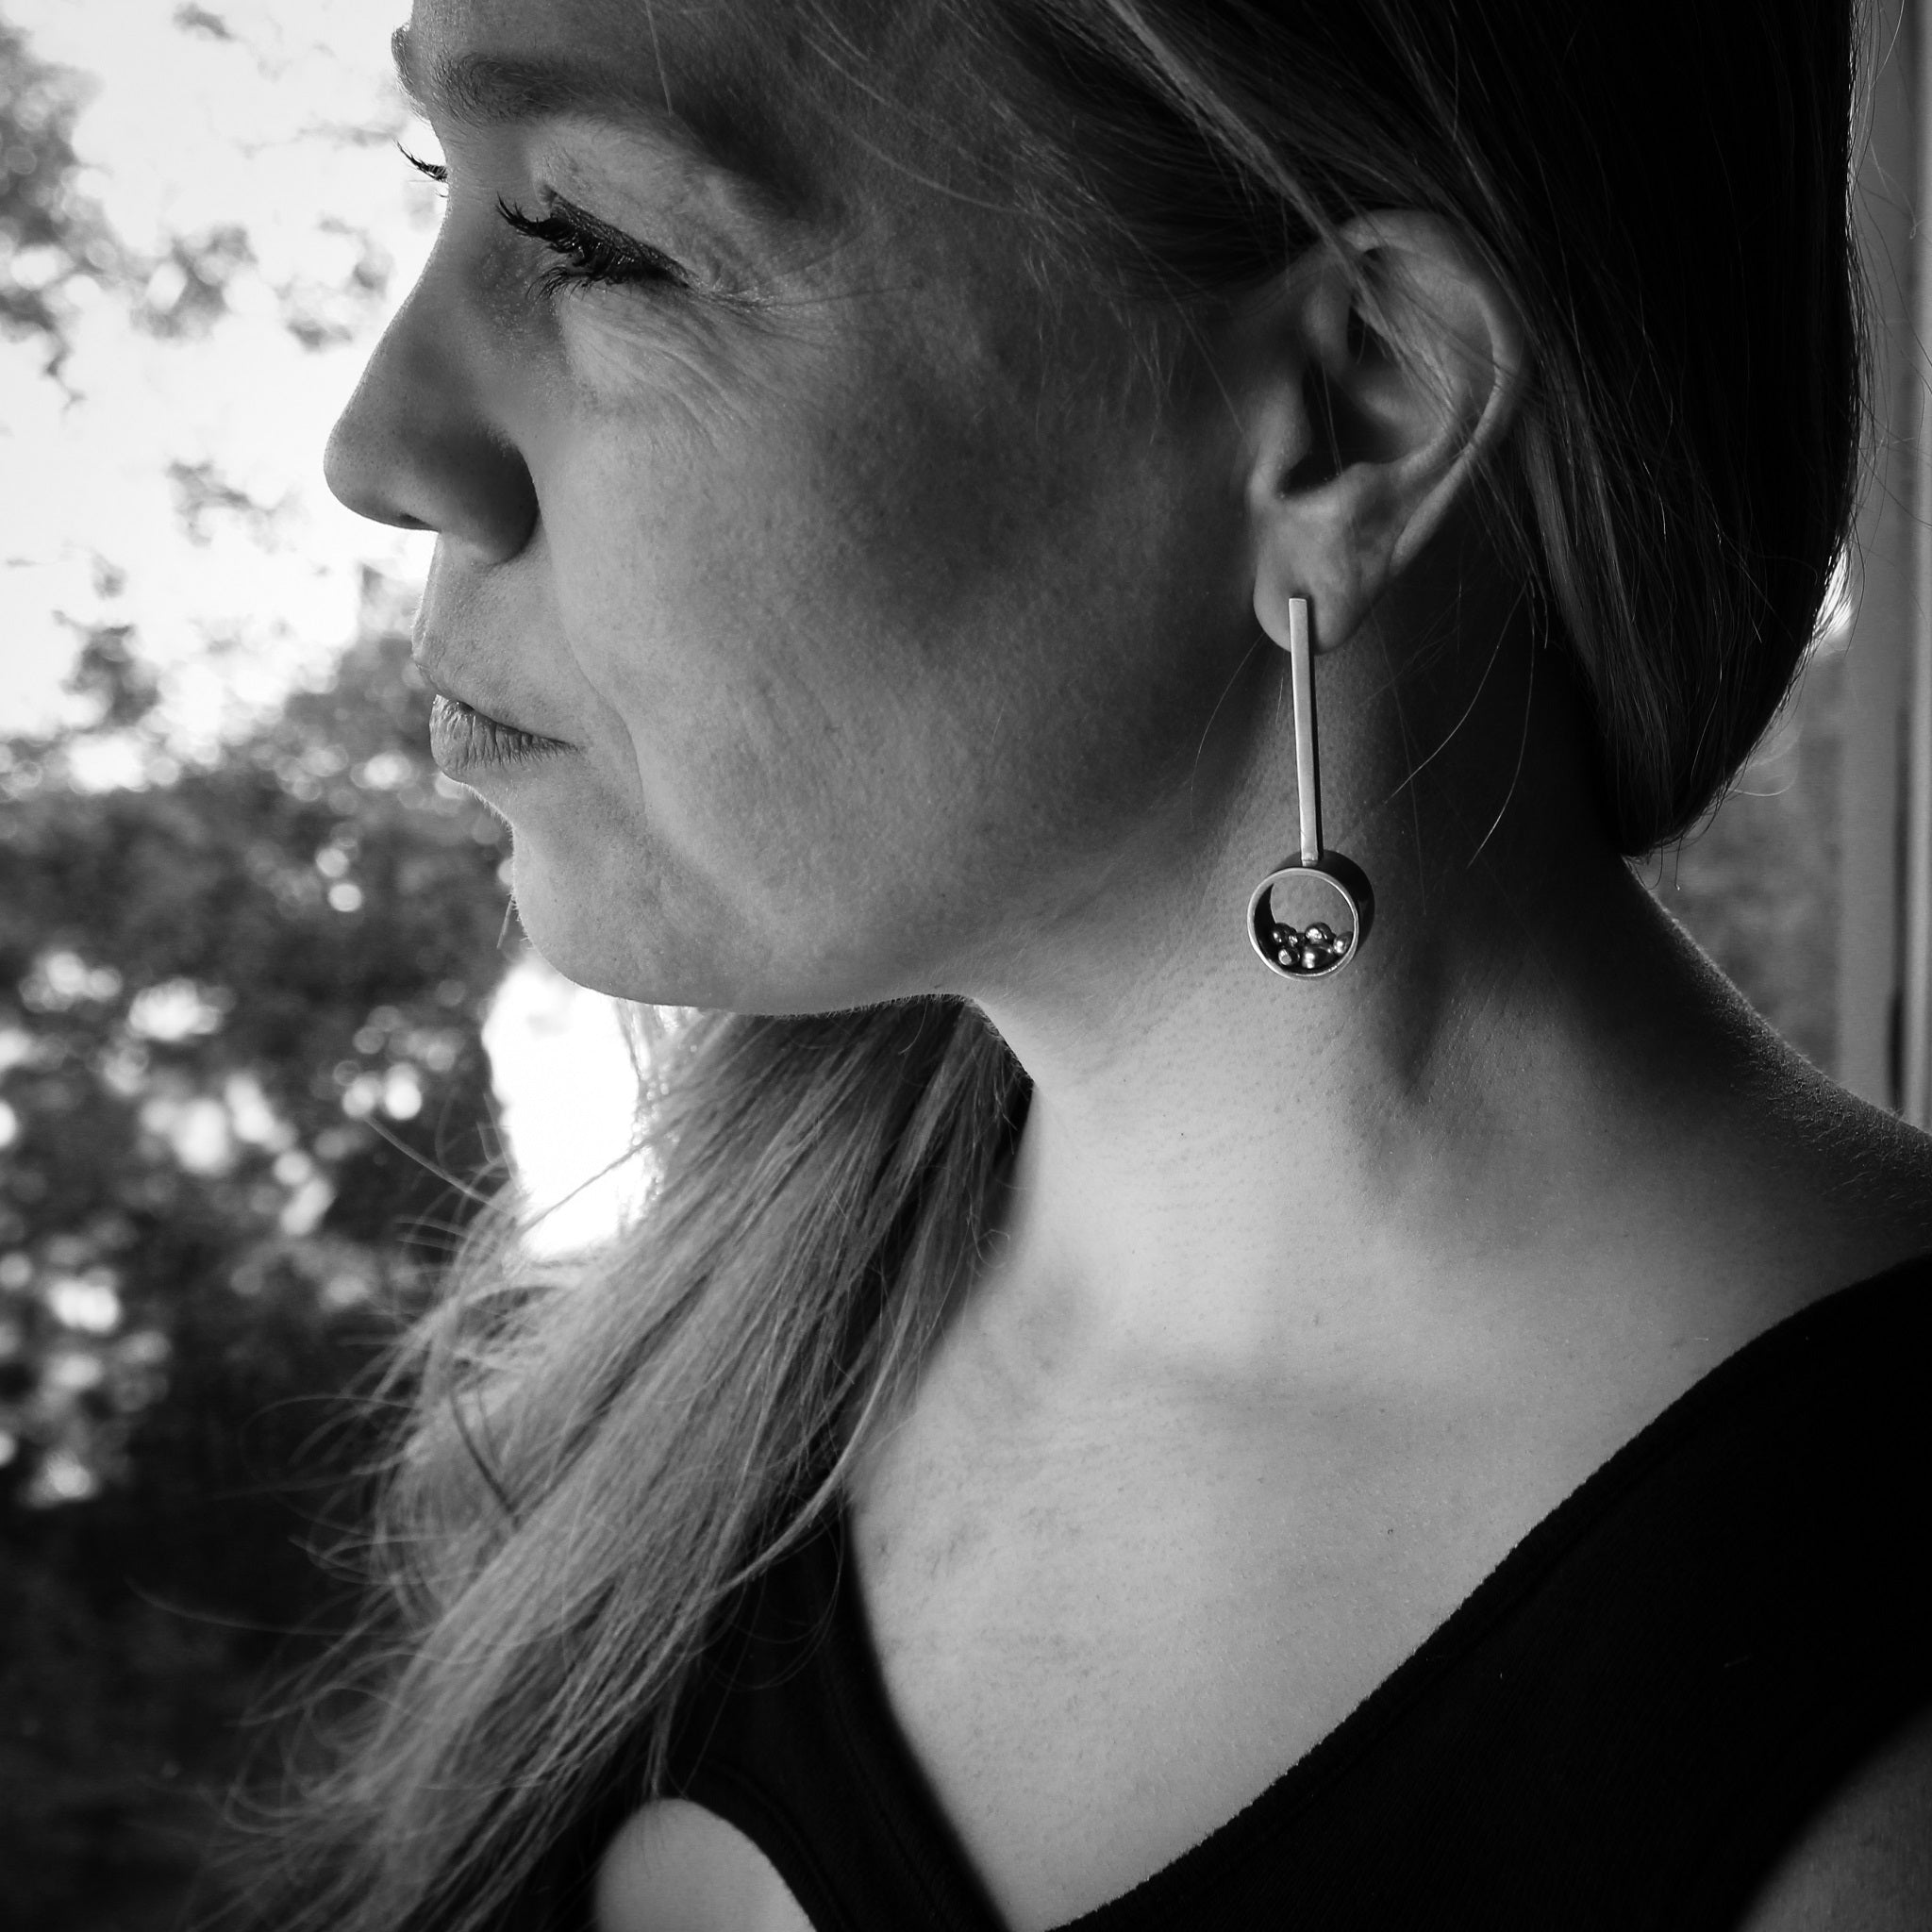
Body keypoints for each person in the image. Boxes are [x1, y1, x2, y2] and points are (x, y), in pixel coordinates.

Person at [294, 0, 1932, 1926]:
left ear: (1354, 406)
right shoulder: (660, 1394)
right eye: (440, 180)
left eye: (591, 239)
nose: (377, 443)